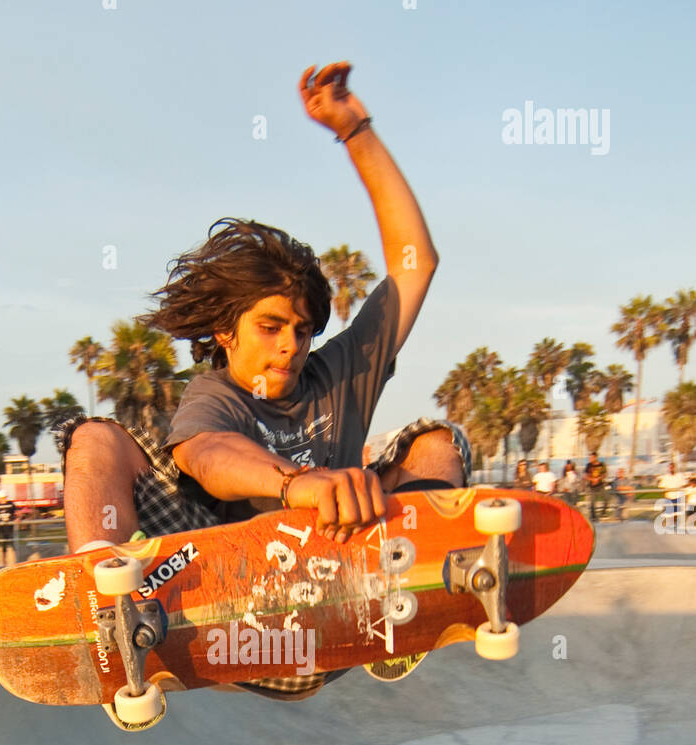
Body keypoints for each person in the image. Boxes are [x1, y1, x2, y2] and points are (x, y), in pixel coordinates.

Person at [61, 61, 471, 699]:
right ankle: (106, 611)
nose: (291, 348)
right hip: (235, 609)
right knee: (95, 438)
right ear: (227, 331)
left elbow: (416, 265)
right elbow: (208, 455)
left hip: (338, 601)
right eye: (271, 327)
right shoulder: (214, 396)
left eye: (303, 331)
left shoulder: (341, 372)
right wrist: (298, 484)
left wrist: (354, 129)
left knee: (437, 443)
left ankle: (409, 609)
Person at [584, 451, 608, 522]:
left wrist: (598, 478)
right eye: (589, 458)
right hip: (592, 486)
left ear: (595, 457)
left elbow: (605, 474)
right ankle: (593, 516)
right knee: (592, 502)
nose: (590, 459)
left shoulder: (602, 464)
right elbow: (586, 476)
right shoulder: (588, 465)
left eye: (591, 458)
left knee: (606, 498)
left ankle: (603, 513)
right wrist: (592, 479)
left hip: (600, 485)